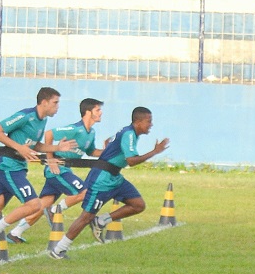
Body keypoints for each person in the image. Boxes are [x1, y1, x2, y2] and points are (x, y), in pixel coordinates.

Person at [0, 86, 61, 262]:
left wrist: (57, 148)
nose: (57, 107)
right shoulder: (25, 116)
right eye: (55, 103)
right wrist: (18, 147)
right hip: (8, 167)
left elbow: (35, 145)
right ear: (44, 102)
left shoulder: (42, 121)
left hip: (18, 167)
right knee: (34, 205)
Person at [53, 108, 170, 256]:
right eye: (148, 121)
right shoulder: (128, 134)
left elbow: (111, 142)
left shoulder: (129, 132)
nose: (151, 124)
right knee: (86, 216)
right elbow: (131, 161)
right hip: (101, 180)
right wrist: (155, 152)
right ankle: (59, 249)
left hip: (114, 177)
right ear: (138, 122)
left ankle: (101, 221)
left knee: (138, 205)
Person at [15, 96, 103, 238]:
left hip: (64, 169)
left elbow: (91, 151)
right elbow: (49, 133)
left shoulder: (91, 132)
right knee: (85, 192)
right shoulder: (75, 129)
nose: (101, 113)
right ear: (88, 112)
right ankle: (57, 209)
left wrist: (107, 151)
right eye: (98, 110)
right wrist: (51, 160)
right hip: (57, 170)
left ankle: (15, 233)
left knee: (42, 205)